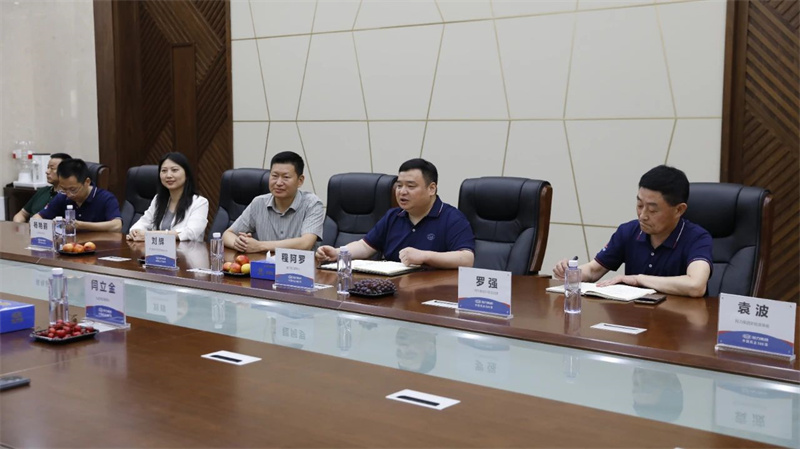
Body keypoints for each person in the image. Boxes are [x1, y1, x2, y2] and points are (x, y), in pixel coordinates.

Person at [552, 165, 712, 297]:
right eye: (640, 205)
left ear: (679, 210)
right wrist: (572, 273)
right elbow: (594, 270)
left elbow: (696, 285)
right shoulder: (629, 231)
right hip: (634, 319)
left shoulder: (697, 238)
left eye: (652, 210)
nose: (642, 216)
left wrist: (639, 279)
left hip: (679, 322)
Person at [315, 158, 475, 269]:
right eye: (399, 186)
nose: (402, 192)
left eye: (410, 186)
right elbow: (365, 246)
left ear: (431, 189)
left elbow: (466, 259)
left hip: (431, 291)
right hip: (393, 288)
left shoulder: (452, 218)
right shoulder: (393, 216)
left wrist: (425, 256)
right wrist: (337, 253)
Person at [222, 151, 324, 253]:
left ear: (300, 180)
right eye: (274, 176)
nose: (278, 183)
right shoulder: (259, 203)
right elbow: (227, 235)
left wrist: (259, 246)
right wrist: (241, 243)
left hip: (300, 263)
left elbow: (306, 243)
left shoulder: (312, 204)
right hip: (265, 263)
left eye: (286, 177)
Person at [127, 152, 208, 242]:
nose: (168, 175)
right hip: (158, 250)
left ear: (187, 174)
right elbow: (143, 222)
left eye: (174, 170)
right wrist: (135, 232)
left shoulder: (200, 202)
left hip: (186, 250)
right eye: (164, 171)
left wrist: (150, 235)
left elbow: (191, 232)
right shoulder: (158, 199)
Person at [34, 158, 122, 232]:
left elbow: (117, 225)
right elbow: (37, 217)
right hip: (69, 245)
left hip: (98, 245)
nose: (69, 194)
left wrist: (80, 225)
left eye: (73, 190)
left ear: (87, 182)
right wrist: (50, 225)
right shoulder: (62, 196)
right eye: (64, 189)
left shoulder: (106, 198)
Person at [12, 153, 71, 223]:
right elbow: (22, 214)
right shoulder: (42, 191)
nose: (47, 172)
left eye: (52, 168)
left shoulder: (68, 196)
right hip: (31, 226)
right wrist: (19, 225)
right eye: (48, 168)